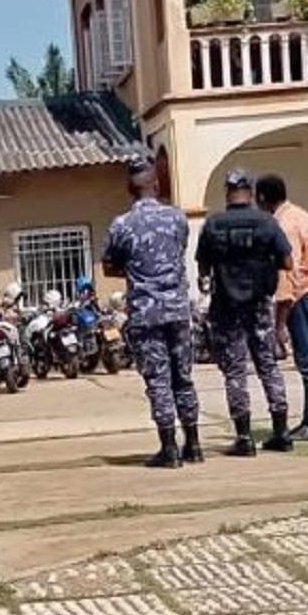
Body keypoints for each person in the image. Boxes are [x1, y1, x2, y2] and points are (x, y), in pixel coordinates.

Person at [103, 155, 202, 468]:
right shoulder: (176, 218)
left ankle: (169, 448)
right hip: (177, 309)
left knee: (158, 380)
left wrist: (135, 271)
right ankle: (195, 445)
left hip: (146, 313)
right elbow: (179, 251)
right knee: (183, 377)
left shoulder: (122, 225)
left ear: (129, 189)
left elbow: (108, 266)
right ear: (156, 184)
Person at [195, 169, 295, 456]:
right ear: (250, 192)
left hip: (226, 307)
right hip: (260, 305)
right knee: (268, 366)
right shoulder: (267, 222)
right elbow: (288, 262)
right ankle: (282, 432)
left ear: (227, 192)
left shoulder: (213, 224)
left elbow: (202, 265)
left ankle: (244, 438)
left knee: (235, 371)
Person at [255, 174, 308, 442]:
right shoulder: (300, 214)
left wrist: (280, 324)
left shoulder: (284, 225)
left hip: (307, 294)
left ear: (262, 198)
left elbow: (288, 274)